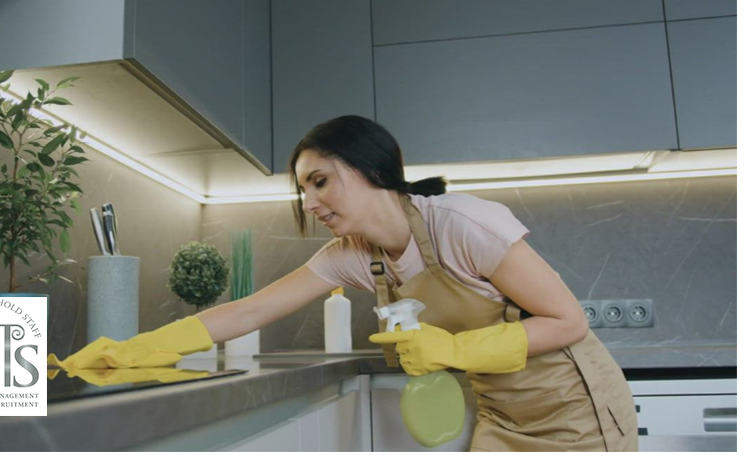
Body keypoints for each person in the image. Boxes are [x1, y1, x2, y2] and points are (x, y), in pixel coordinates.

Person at [52, 115, 638, 452]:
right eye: (303, 190)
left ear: (373, 169)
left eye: (321, 182)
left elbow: (568, 321)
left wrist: (456, 349)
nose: (310, 202)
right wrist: (136, 349)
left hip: (575, 413)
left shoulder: (463, 223)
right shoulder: (356, 257)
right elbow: (248, 312)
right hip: (499, 417)